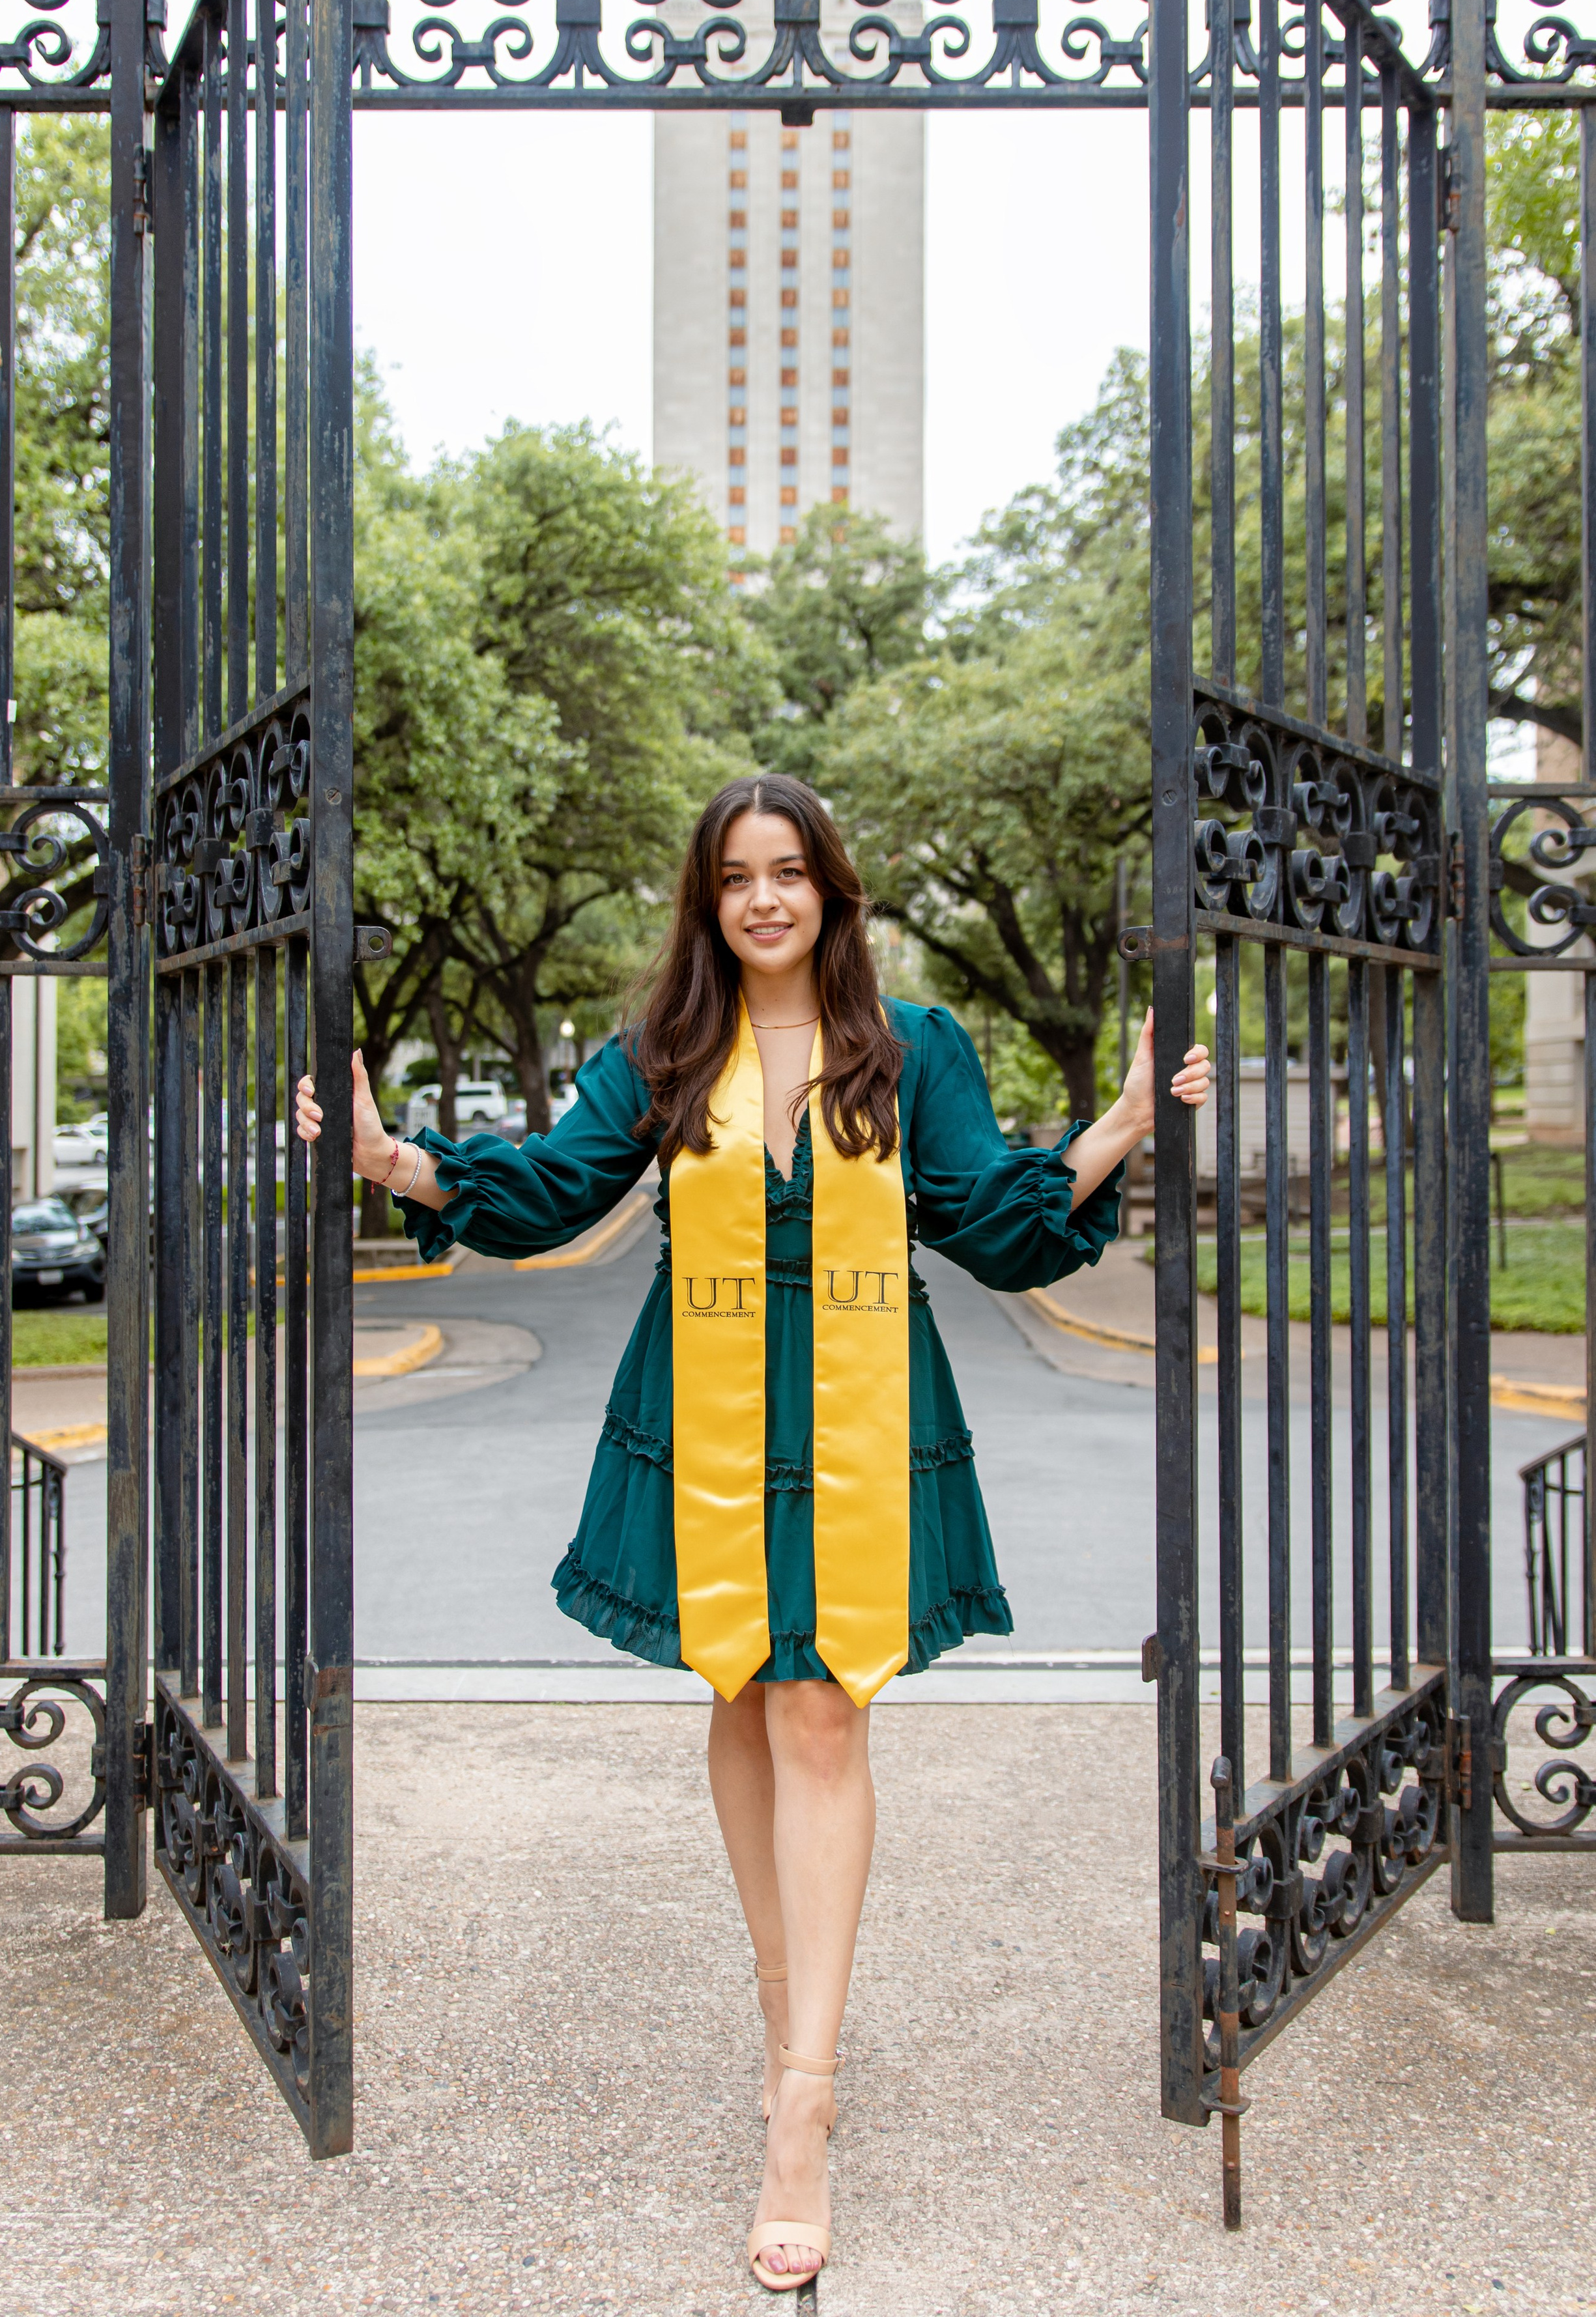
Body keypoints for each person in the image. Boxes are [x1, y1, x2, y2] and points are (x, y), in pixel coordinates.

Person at [295, 773, 1210, 2292]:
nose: (765, 899)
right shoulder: (661, 1049)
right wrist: (394, 1163)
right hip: (710, 1397)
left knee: (822, 1712)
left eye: (789, 873)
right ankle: (792, 2005)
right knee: (740, 1684)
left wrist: (1118, 1120)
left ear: (832, 893)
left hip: (861, 1398)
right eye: (737, 878)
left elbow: (991, 1219)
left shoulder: (907, 1047)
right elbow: (550, 1191)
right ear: (708, 902)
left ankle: (802, 2095)